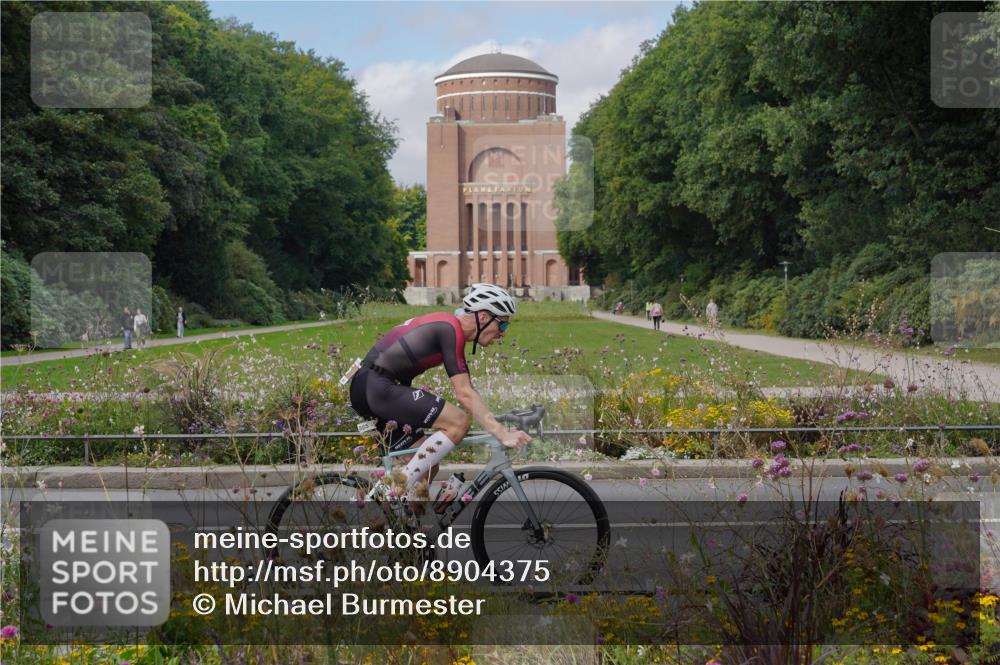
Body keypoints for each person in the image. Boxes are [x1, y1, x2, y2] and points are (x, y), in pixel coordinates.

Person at [348, 283, 531, 503]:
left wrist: (494, 421)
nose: (502, 333)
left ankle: (402, 520)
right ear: (483, 317)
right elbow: (464, 393)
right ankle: (395, 491)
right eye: (503, 324)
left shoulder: (449, 327)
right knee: (459, 422)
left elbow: (468, 389)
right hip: (377, 385)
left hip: (369, 386)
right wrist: (501, 433)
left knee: (427, 466)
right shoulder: (449, 329)